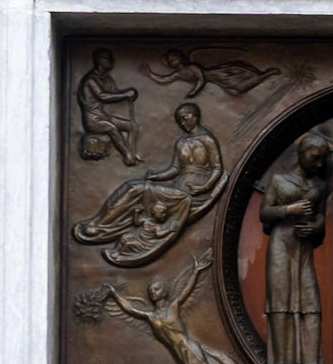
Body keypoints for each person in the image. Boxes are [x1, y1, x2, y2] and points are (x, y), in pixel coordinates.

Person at [104, 252, 264, 364]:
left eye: (156, 288)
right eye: (151, 290)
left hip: (190, 351)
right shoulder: (151, 316)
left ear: (164, 292)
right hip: (181, 359)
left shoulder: (173, 307)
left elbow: (187, 290)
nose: (153, 292)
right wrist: (114, 294)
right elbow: (130, 309)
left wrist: (196, 271)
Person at [71, 102, 227, 267]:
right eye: (179, 120)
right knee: (133, 187)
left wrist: (205, 187)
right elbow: (175, 169)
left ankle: (100, 226)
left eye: (185, 118)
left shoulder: (207, 140)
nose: (182, 123)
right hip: (177, 189)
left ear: (195, 116)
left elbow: (217, 168)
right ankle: (101, 224)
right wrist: (157, 176)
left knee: (135, 189)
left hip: (191, 194)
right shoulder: (181, 142)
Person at [259, 131, 333, 364]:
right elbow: (264, 213)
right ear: (302, 153)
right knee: (281, 298)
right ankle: (283, 362)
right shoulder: (279, 180)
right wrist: (290, 209)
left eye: (322, 159)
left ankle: (311, 360)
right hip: (281, 242)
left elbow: (320, 217)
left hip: (303, 247)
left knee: (308, 299)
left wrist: (315, 228)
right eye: (315, 157)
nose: (319, 164)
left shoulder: (320, 186)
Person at [76, 48, 140, 165]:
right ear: (99, 60)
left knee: (132, 126)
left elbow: (114, 93)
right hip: (92, 120)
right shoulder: (90, 80)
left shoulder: (107, 79)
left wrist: (130, 93)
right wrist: (125, 94)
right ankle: (126, 155)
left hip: (103, 116)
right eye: (107, 58)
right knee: (112, 128)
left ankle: (132, 152)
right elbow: (103, 96)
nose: (111, 61)